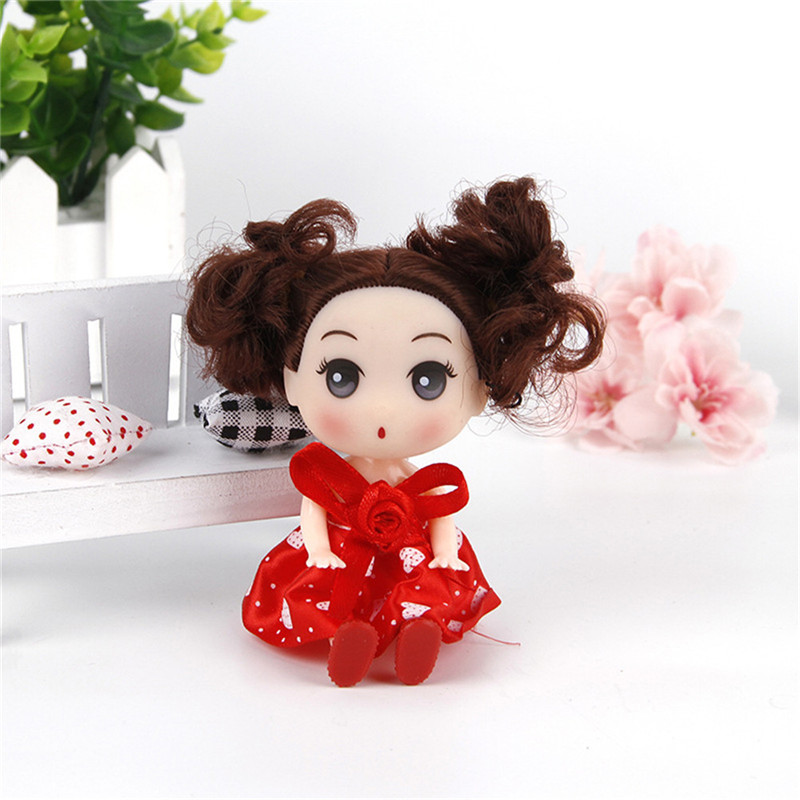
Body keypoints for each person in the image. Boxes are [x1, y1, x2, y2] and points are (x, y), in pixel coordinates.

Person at [186, 177, 605, 686]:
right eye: (341, 376)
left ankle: (414, 635)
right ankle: (348, 640)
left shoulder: (416, 478)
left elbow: (439, 511)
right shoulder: (331, 475)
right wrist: (318, 549)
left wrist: (445, 550)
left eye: (428, 380)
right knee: (332, 594)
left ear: (479, 390)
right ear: (291, 380)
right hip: (341, 549)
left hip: (409, 550)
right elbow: (314, 508)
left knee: (423, 588)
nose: (382, 408)